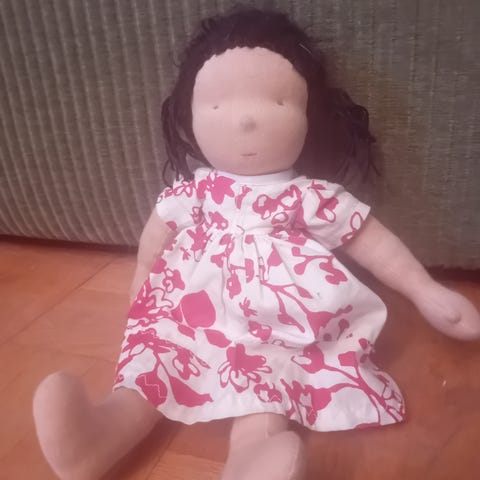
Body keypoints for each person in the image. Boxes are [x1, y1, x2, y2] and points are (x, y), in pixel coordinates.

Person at [33, 8, 480, 480]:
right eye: (217, 105)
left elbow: (370, 240)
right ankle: (101, 435)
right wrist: (142, 282)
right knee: (161, 353)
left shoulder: (308, 195)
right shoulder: (198, 190)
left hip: (279, 317)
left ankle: (254, 457)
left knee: (270, 374)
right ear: (189, 113)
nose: (245, 120)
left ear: (309, 115)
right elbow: (156, 234)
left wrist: (425, 290)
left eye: (277, 101)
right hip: (193, 308)